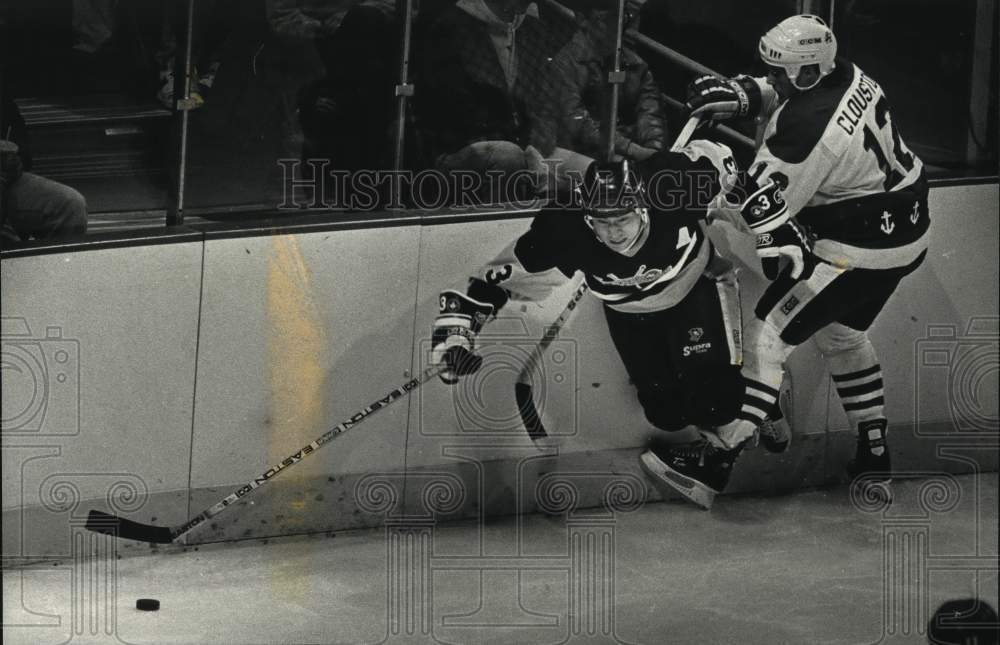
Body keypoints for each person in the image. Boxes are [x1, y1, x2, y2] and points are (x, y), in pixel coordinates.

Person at [428, 144, 790, 510]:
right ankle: (756, 401)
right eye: (603, 222)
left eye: (622, 221)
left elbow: (725, 166)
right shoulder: (564, 226)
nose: (614, 233)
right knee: (665, 414)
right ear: (588, 218)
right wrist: (456, 334)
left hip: (696, 287)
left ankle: (761, 397)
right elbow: (498, 278)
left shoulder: (671, 183)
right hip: (629, 311)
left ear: (643, 209)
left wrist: (771, 226)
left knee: (716, 404)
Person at [685, 15, 930, 500]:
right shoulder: (847, 72)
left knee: (767, 337)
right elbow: (800, 94)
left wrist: (713, 183)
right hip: (907, 232)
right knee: (843, 336)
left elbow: (761, 209)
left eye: (778, 72)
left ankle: (716, 459)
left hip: (856, 250)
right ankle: (874, 454)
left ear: (809, 70)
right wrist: (747, 94)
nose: (772, 78)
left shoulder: (806, 130)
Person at [1, 85, 88, 245]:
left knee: (69, 203)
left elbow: (20, 140)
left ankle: (61, 267)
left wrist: (15, 161)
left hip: (7, 179)